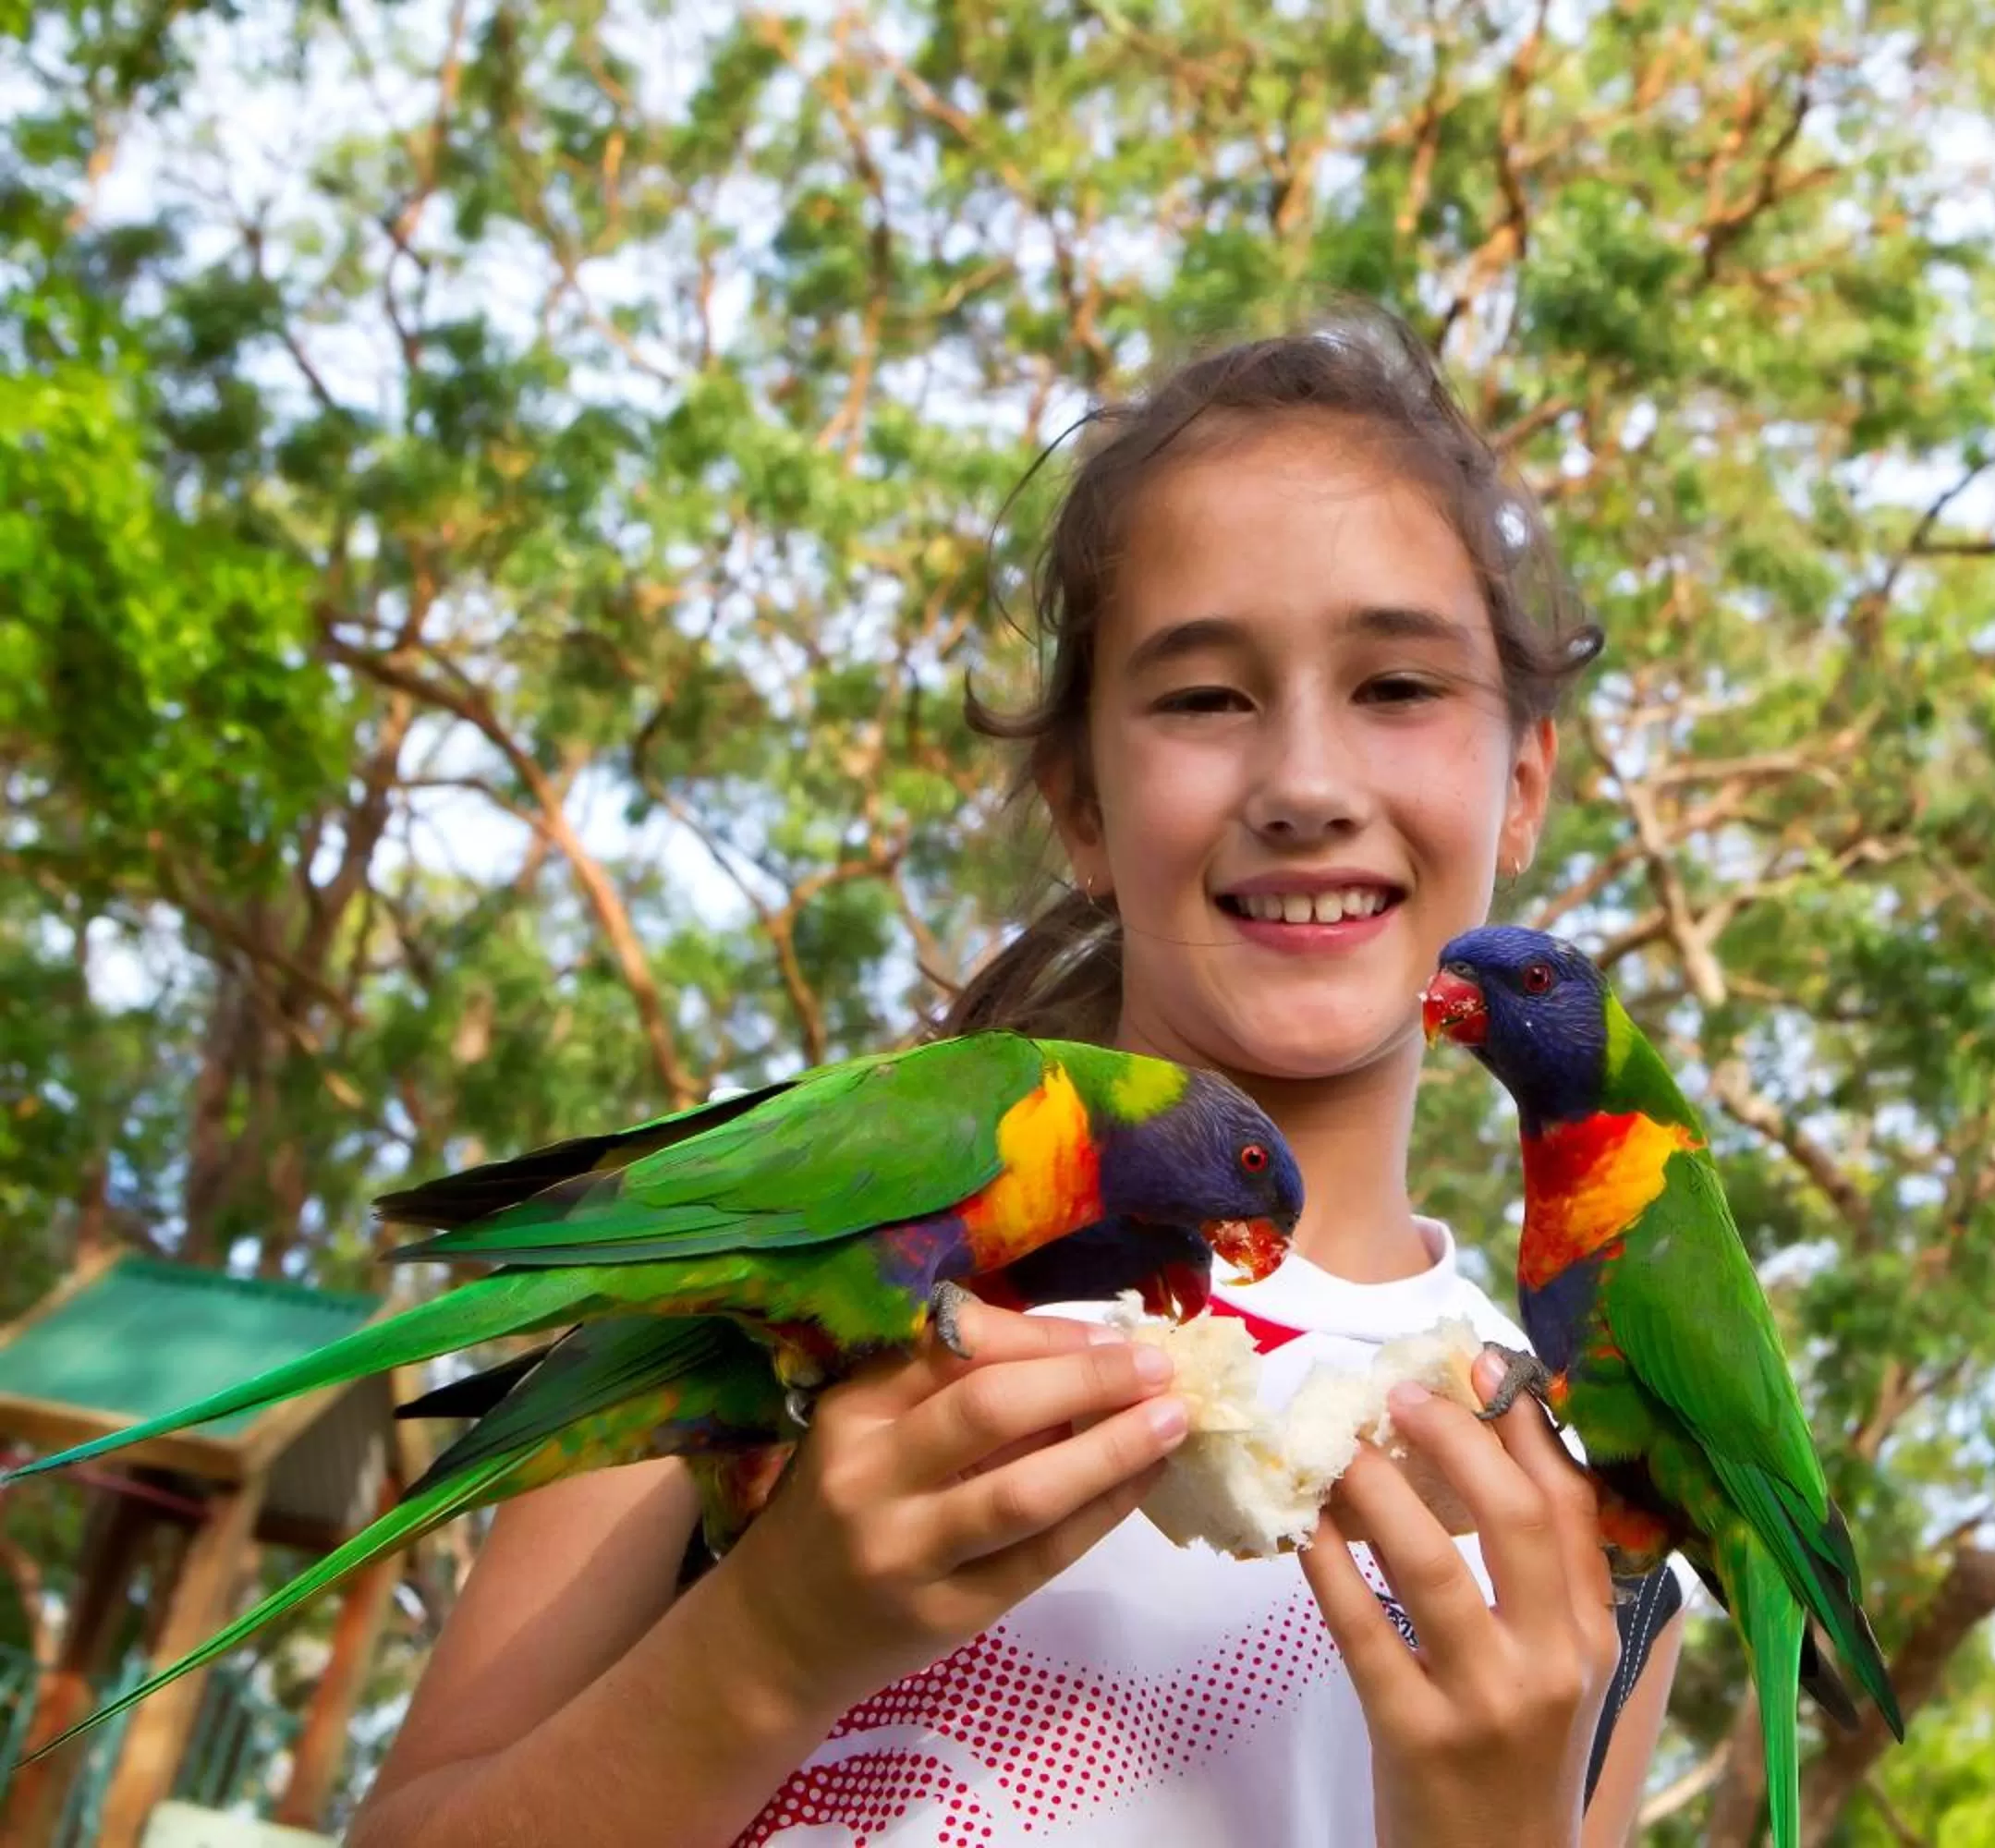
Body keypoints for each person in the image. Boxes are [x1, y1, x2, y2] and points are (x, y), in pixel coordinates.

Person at [348, 306, 1685, 1848]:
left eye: (1397, 686)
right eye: (1202, 697)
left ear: (1522, 785)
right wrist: (768, 1641)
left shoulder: (1580, 1490)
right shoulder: (827, 1246)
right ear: (1081, 805)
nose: (1306, 786)